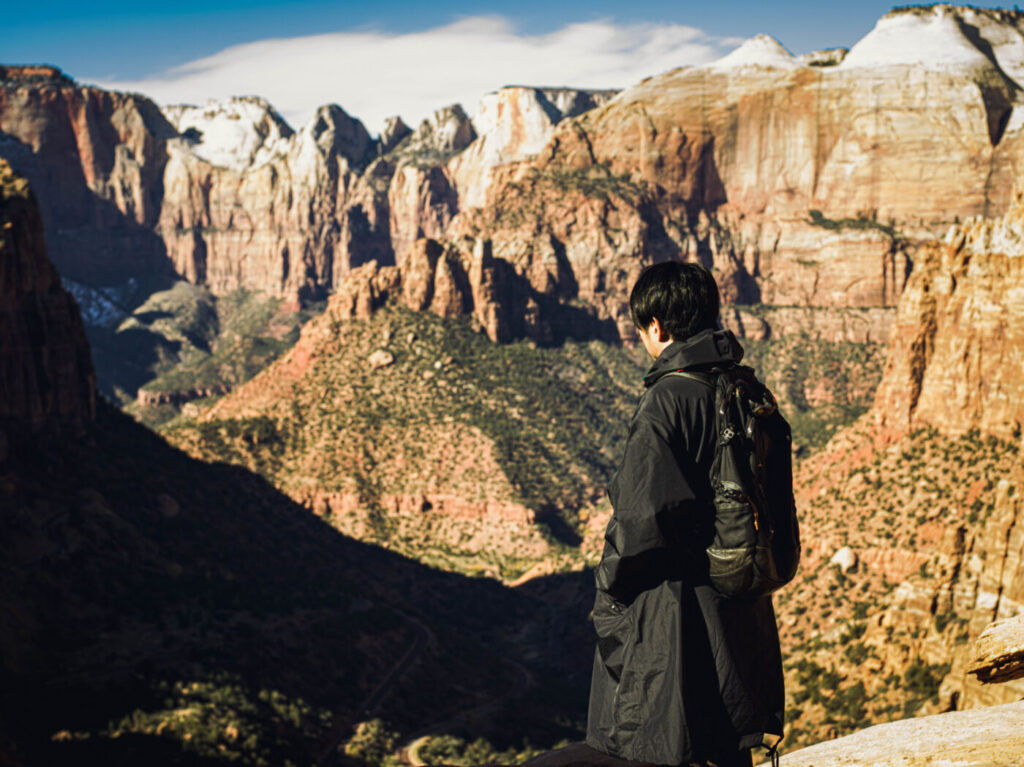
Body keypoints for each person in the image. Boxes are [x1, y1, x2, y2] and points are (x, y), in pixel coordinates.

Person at [585, 261, 785, 767]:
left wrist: (607, 593)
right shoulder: (747, 391)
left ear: (658, 327)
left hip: (674, 631)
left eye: (641, 330)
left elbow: (637, 524)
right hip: (739, 621)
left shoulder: (668, 399)